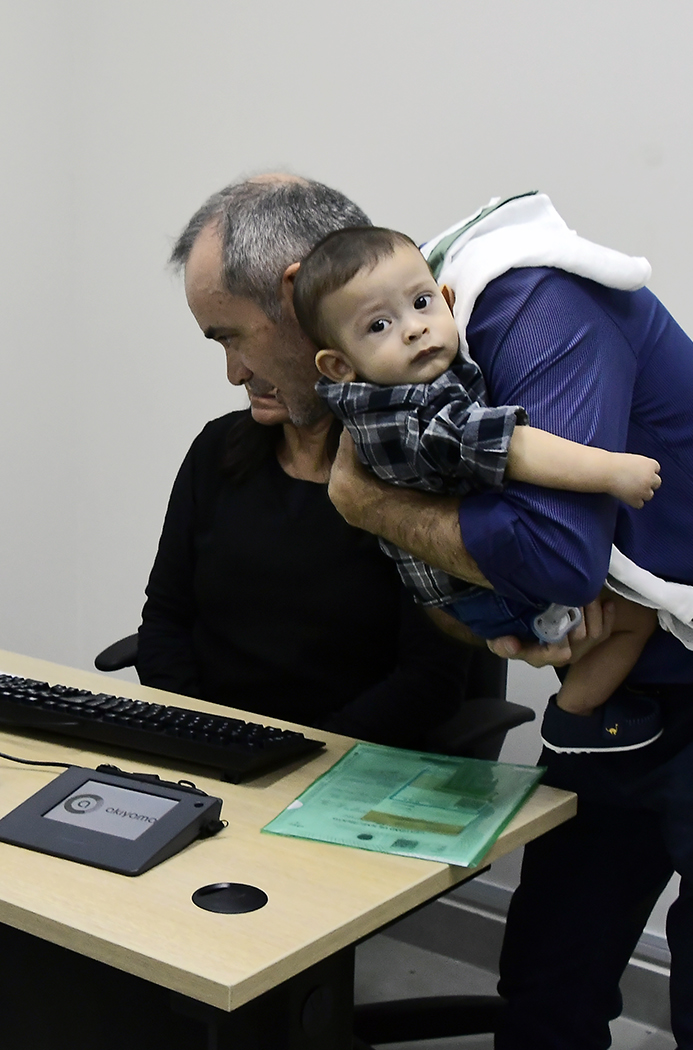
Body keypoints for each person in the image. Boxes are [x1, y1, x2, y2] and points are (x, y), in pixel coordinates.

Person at [320, 192, 693, 1050]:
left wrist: (368, 504)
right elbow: (471, 598)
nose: (238, 374)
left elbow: (555, 558)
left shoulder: (536, 307)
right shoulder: (383, 391)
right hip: (626, 693)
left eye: (230, 339)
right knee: (548, 977)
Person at [292, 224, 678, 749]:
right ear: (339, 365)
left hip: (466, 587)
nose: (412, 329)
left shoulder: (409, 384)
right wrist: (611, 470)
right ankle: (576, 714)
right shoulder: (405, 419)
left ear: (447, 300)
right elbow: (512, 447)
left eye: (422, 303)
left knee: (608, 600)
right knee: (635, 612)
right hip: (482, 590)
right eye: (379, 325)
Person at [138, 177, 476, 750]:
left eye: (234, 338)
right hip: (214, 762)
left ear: (302, 309)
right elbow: (164, 626)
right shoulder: (216, 452)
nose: (235, 373)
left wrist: (286, 762)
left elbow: (430, 682)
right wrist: (201, 740)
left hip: (346, 779)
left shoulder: (418, 464)